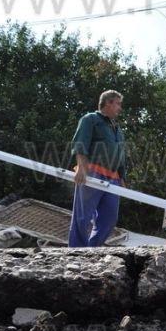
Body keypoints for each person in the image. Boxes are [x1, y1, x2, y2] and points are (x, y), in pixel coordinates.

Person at [68, 90, 127, 247]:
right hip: (92, 173)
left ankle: (92, 249)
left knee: (109, 219)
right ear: (108, 103)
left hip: (113, 178)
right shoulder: (90, 119)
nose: (120, 108)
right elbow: (80, 143)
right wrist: (81, 167)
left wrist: (122, 178)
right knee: (83, 216)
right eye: (118, 104)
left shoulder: (118, 129)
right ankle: (75, 251)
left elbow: (121, 155)